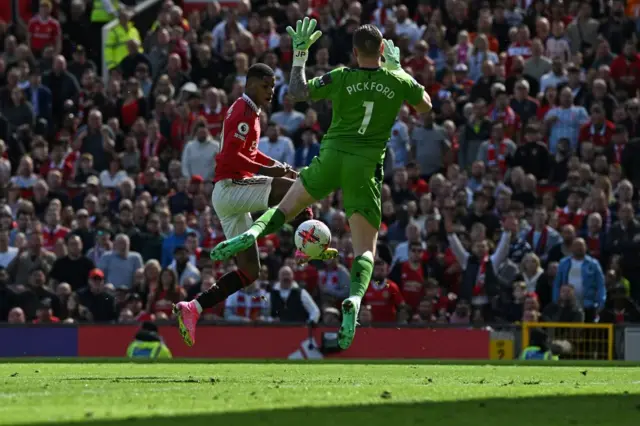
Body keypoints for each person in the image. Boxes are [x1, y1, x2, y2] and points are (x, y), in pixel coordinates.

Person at [209, 19, 432, 350]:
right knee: (365, 248)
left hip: (331, 157)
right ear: (383, 50)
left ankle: (252, 233)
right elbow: (425, 107)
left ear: (355, 52)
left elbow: (298, 92)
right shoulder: (397, 80)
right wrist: (399, 71)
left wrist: (300, 55)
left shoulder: (342, 76)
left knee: (288, 206)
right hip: (366, 167)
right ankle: (354, 300)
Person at [172, 62, 326, 346]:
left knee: (250, 272)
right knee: (294, 190)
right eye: (266, 86)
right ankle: (305, 245)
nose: (271, 92)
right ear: (251, 83)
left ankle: (194, 307)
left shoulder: (247, 111)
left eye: (272, 87)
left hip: (227, 196)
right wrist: (272, 172)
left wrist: (278, 165)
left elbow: (250, 153)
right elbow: (232, 158)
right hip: (231, 187)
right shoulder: (244, 112)